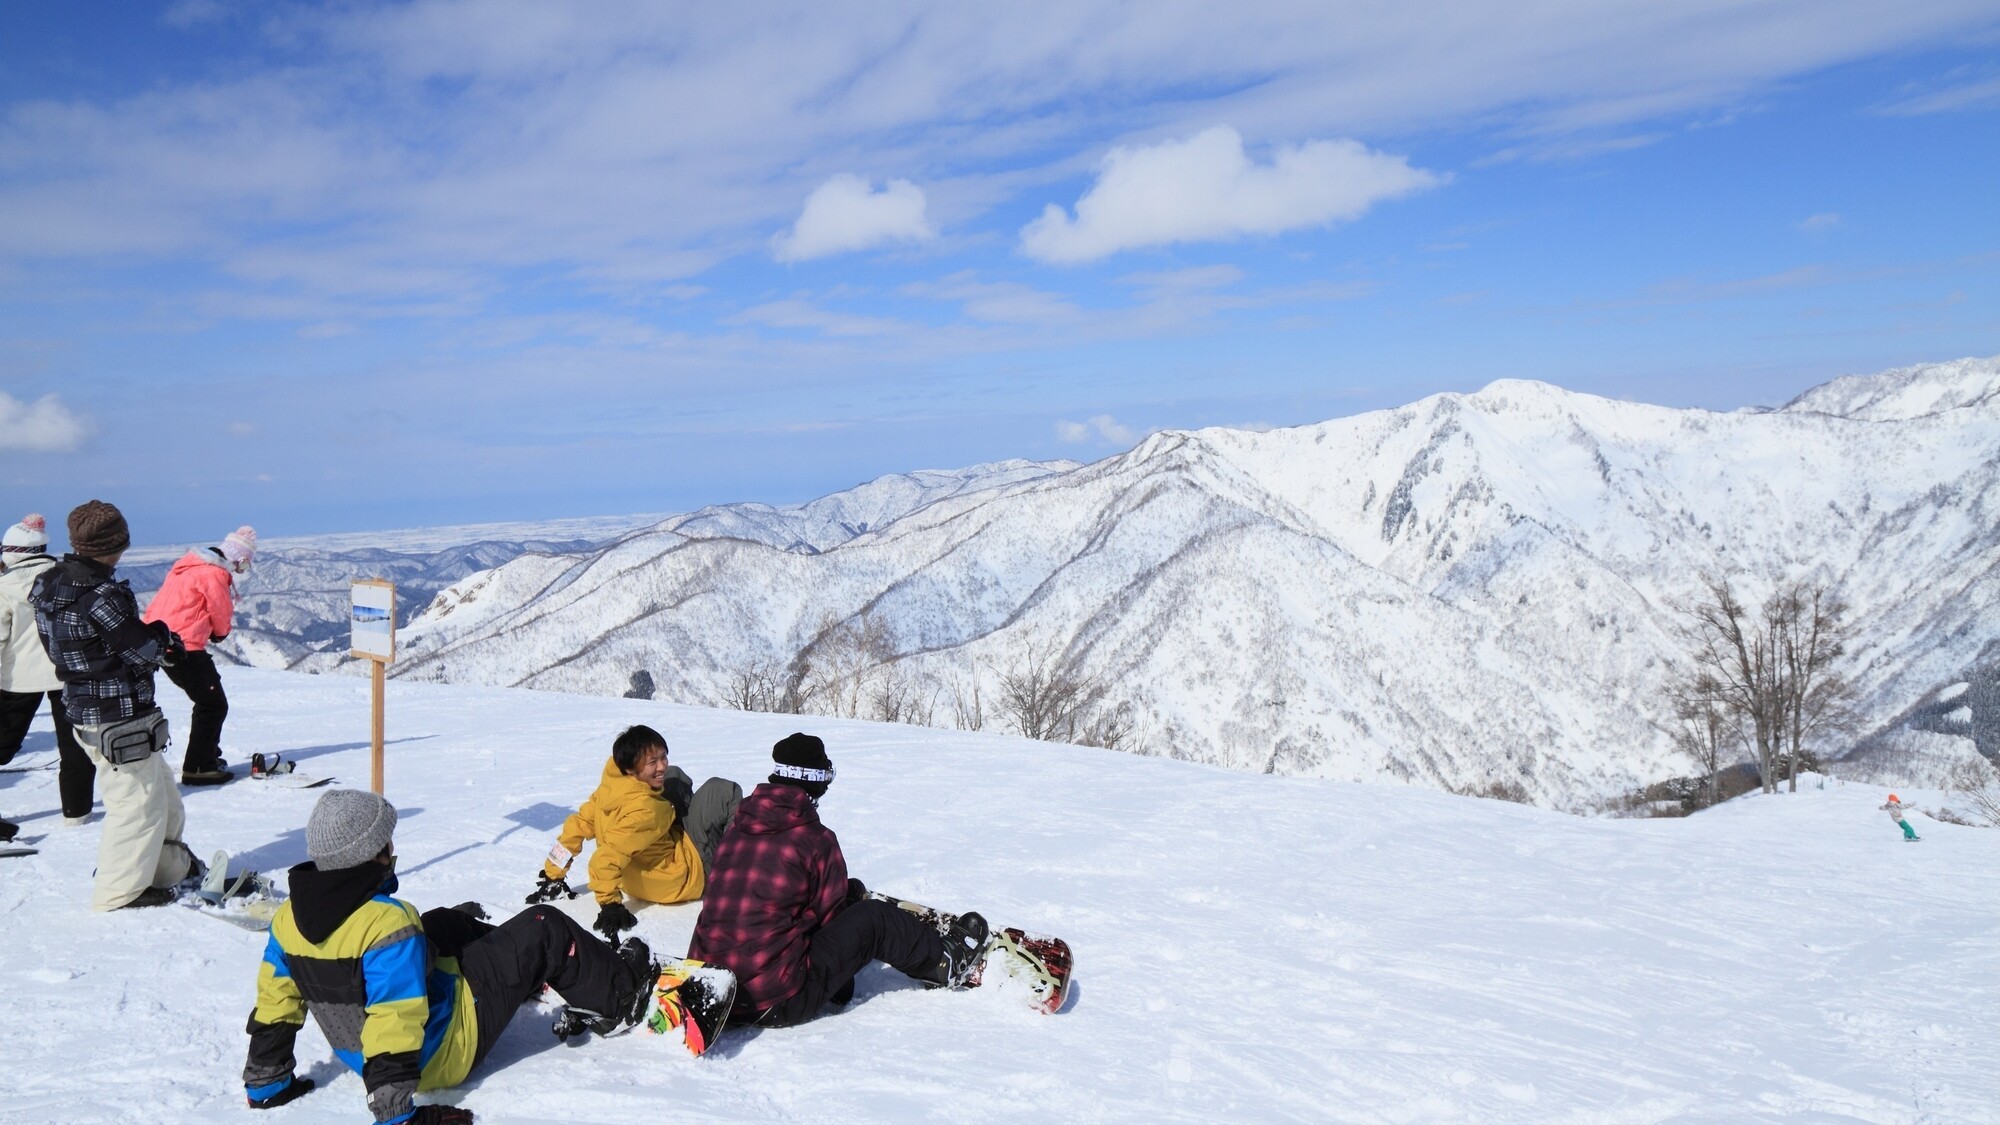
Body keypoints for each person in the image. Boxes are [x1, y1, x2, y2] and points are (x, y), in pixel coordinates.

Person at [243, 788, 657, 1124]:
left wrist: (267, 1082)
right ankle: (620, 995)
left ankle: (527, 970)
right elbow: (394, 1018)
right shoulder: (387, 923)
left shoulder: (288, 920)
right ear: (372, 855)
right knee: (545, 925)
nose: (393, 847)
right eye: (387, 841)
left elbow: (276, 1002)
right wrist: (396, 1114)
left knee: (441, 921)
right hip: (443, 1049)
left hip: (363, 1054)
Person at [687, 732, 989, 1028]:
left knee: (842, 897)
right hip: (776, 999)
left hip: (713, 990)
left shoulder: (737, 832)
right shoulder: (815, 840)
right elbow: (829, 920)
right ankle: (944, 963)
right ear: (816, 782)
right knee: (874, 919)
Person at [28, 500, 200, 910]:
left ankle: (164, 868)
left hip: (86, 710)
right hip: (117, 715)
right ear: (119, 542)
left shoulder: (48, 582)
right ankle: (120, 892)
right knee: (136, 807)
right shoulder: (100, 594)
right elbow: (142, 651)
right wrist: (163, 640)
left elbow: (57, 648)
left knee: (161, 797)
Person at [528, 724, 742, 941]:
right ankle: (736, 867)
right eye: (652, 762)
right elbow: (605, 860)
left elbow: (577, 826)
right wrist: (609, 904)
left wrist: (552, 873)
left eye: (663, 757)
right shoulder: (646, 810)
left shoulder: (611, 788)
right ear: (630, 768)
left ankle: (691, 826)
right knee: (722, 790)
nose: (661, 766)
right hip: (683, 877)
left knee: (676, 777)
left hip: (633, 878)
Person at [2, 514, 94, 837]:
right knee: (74, 745)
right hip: (67, 673)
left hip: (17, 679)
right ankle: (77, 812)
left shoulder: (6, 584)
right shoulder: (65, 577)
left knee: (3, 743)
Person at [143, 524, 256, 785]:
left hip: (162, 641)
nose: (239, 572)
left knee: (208, 701)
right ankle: (199, 767)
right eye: (243, 566)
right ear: (236, 560)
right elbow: (220, 609)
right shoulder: (214, 574)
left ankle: (207, 757)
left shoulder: (186, 567)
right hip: (185, 646)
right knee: (212, 705)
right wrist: (220, 632)